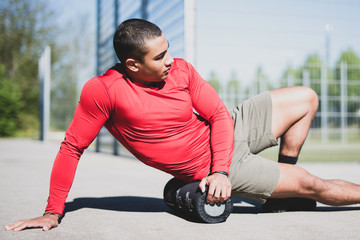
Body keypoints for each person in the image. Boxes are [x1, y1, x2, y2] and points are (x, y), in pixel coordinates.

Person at [5, 18, 360, 232]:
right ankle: (296, 189)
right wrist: (53, 212)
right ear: (132, 65)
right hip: (213, 165)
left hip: (224, 139)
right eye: (159, 57)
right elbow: (72, 148)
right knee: (316, 185)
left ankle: (282, 194)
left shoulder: (183, 70)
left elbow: (220, 116)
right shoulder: (104, 92)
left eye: (168, 49)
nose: (170, 60)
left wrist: (220, 167)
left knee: (307, 97)